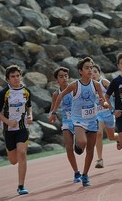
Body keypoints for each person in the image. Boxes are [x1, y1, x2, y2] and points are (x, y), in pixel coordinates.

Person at [49, 57, 110, 187]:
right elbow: (60, 95)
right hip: (77, 120)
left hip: (92, 119)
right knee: (82, 142)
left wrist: (103, 103)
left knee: (90, 149)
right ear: (80, 71)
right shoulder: (75, 85)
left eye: (91, 68)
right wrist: (53, 112)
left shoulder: (97, 85)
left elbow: (103, 101)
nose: (90, 70)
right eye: (87, 68)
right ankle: (78, 146)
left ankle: (85, 175)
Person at [0, 65, 33, 195]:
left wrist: (30, 115)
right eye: (13, 76)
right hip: (9, 129)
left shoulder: (26, 91)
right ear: (8, 79)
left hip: (22, 127)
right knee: (13, 161)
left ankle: (21, 186)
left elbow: (29, 106)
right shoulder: (2, 94)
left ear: (20, 76)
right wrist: (8, 121)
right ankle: (9, 150)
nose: (16, 79)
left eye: (17, 76)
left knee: (22, 153)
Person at [49, 67, 81, 183]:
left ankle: (79, 144)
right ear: (57, 79)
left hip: (79, 120)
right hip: (67, 121)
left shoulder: (74, 88)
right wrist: (52, 115)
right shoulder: (56, 94)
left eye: (66, 76)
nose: (64, 78)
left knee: (80, 146)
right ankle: (76, 172)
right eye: (61, 76)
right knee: (68, 147)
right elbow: (53, 108)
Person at [92, 64, 118, 169]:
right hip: (98, 114)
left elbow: (116, 91)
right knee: (98, 133)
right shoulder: (89, 86)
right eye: (91, 72)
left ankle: (121, 138)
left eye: (95, 72)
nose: (93, 74)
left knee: (111, 137)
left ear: (99, 73)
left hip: (109, 113)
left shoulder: (104, 82)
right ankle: (100, 159)